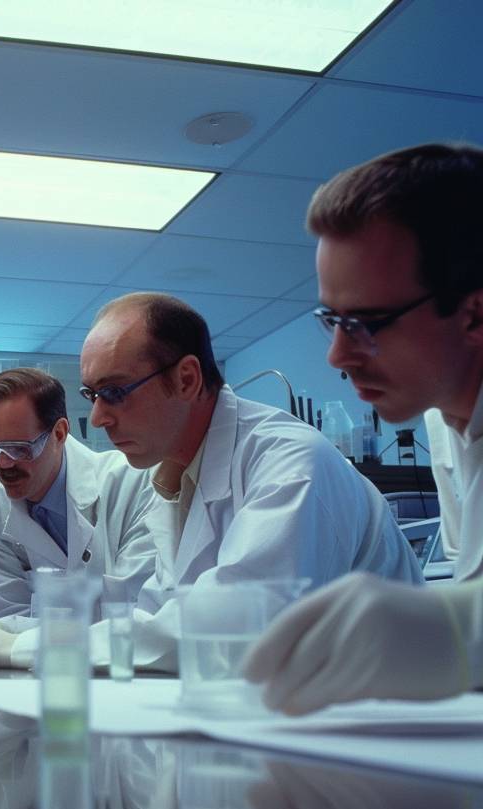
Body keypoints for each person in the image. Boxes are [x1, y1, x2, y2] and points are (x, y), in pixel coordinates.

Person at [245, 143, 483, 713]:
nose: (336, 355)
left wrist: (454, 629)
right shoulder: (450, 424)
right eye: (331, 320)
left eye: (365, 323)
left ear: (475, 314)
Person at [79, 292, 421, 670]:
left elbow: (232, 630)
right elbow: (161, 618)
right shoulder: (176, 479)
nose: (97, 418)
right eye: (91, 394)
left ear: (187, 380)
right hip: (291, 699)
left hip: (384, 706)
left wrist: (28, 647)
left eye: (113, 392)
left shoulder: (291, 464)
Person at [0, 368, 156, 668]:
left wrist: (16, 642)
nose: (3, 463)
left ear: (59, 433)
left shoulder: (131, 486)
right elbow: (7, 613)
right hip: (36, 682)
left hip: (127, 682)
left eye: (19, 448)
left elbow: (136, 623)